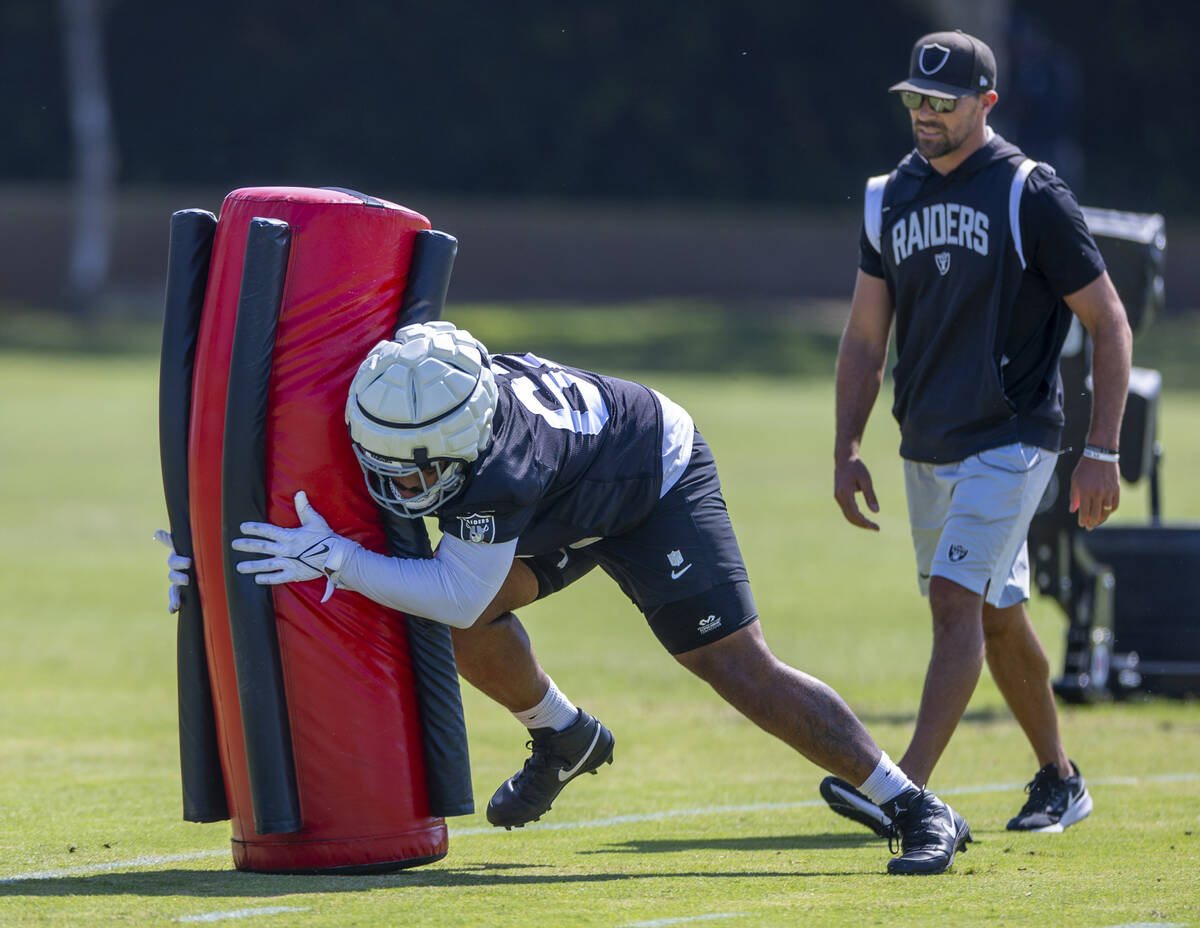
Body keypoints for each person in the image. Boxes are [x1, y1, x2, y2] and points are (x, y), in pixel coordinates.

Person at [163, 320, 971, 874]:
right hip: (566, 493)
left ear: (463, 444)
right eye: (387, 466)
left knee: (734, 667)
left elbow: (451, 590)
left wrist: (338, 556)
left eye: (415, 472)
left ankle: (911, 805)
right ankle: (563, 735)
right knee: (434, 612)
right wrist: (206, 560)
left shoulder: (501, 463)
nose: (397, 487)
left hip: (650, 480)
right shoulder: (422, 409)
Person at [825, 29, 1131, 838]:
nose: (925, 114)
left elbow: (1109, 322)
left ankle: (900, 789)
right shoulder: (885, 195)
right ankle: (1060, 780)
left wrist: (1101, 449)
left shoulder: (1032, 191)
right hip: (926, 440)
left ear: (986, 104)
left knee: (957, 604)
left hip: (1014, 435)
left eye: (943, 102)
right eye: (914, 100)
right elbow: (863, 338)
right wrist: (846, 447)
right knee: (996, 615)